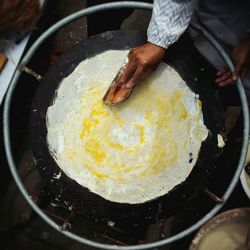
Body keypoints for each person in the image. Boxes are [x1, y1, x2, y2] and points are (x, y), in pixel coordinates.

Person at [117, 0, 250, 102]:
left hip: (240, 29)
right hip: (209, 9)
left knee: (227, 91)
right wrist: (159, 39)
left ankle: (237, 133)